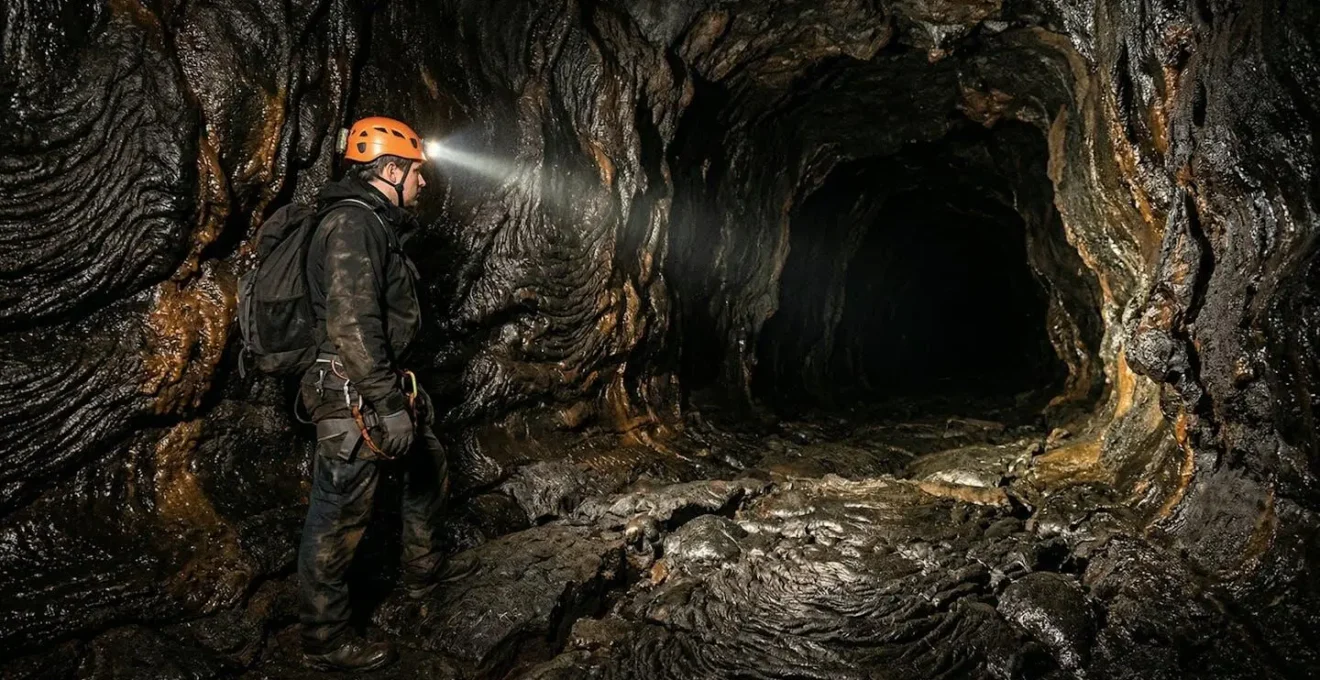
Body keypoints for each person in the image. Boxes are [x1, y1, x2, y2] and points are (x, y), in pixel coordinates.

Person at [296, 116, 467, 672]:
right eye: (417, 172)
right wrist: (386, 403)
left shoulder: (375, 223)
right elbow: (351, 323)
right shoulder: (351, 225)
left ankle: (423, 570)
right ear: (390, 169)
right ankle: (324, 638)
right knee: (340, 511)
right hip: (353, 391)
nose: (422, 182)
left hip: (384, 381)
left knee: (428, 464)